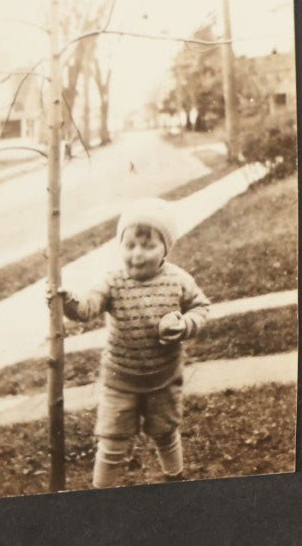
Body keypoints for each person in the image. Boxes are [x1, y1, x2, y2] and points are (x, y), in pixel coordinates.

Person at [51, 197, 210, 487]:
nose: (138, 254)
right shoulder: (113, 281)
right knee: (111, 442)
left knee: (165, 433)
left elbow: (201, 308)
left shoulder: (178, 280)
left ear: (165, 249)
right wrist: (69, 303)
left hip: (163, 379)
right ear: (120, 247)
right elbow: (87, 308)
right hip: (119, 380)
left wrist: (186, 324)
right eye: (130, 245)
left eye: (149, 246)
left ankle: (175, 480)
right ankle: (102, 495)